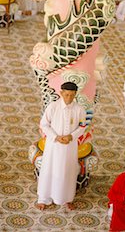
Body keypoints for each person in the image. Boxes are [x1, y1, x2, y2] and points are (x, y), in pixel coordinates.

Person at [36, 82, 86, 210]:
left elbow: (82, 126)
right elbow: (44, 124)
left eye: (71, 95)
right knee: (50, 169)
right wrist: (56, 137)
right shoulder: (53, 107)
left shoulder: (79, 109)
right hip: (54, 146)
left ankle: (66, 198)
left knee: (67, 171)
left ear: (75, 95)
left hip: (70, 146)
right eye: (66, 94)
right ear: (61, 93)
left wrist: (72, 136)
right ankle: (44, 198)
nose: (68, 98)